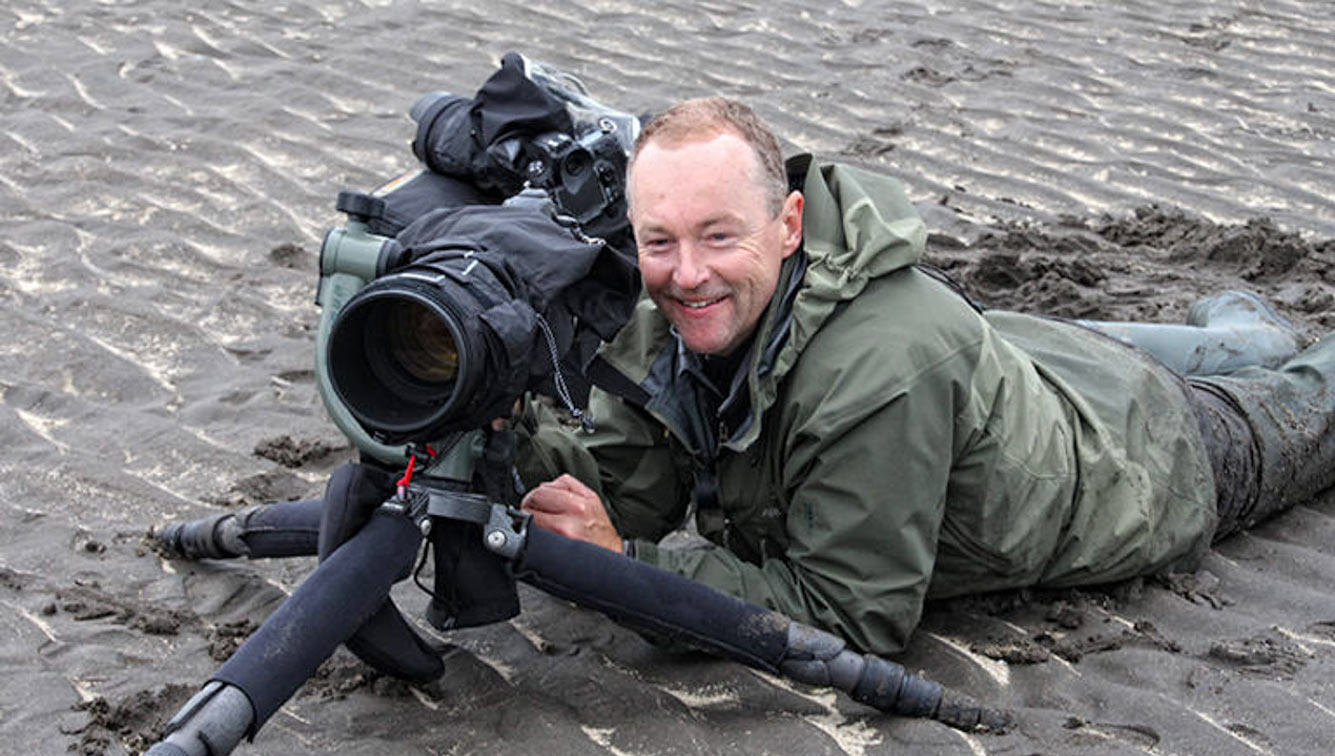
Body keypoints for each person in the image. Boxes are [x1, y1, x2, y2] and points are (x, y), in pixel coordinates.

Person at [513, 96, 1335, 656]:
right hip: (1023, 356)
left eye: (718, 237)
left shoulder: (880, 372)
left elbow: (850, 610)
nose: (685, 275)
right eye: (659, 242)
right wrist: (505, 442)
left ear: (789, 223)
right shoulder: (672, 310)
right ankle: (1239, 326)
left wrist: (627, 564)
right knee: (1220, 341)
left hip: (1140, 450)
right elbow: (627, 491)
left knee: (1313, 406)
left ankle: (1253, 343)